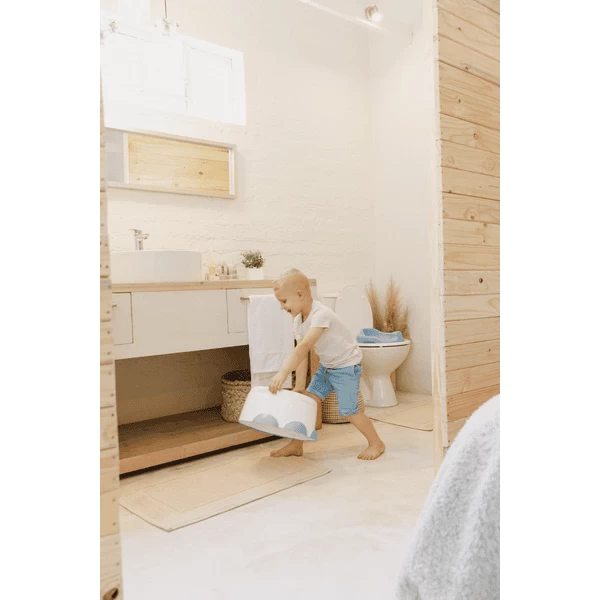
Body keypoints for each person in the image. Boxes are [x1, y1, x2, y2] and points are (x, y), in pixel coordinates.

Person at [268, 268, 385, 460]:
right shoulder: (298, 321)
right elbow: (302, 355)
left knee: (349, 411)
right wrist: (299, 387)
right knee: (307, 403)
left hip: (346, 366)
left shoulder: (321, 315)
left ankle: (376, 443)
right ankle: (296, 445)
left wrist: (283, 373)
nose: (281, 307)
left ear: (300, 295)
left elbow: (304, 347)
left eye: (284, 301)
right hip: (328, 367)